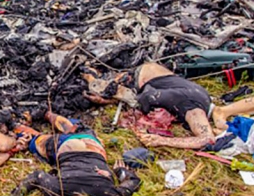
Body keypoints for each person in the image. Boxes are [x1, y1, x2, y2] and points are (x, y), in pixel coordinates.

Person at [10, 112, 141, 196]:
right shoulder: (57, 190)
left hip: (92, 144)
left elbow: (133, 181)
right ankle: (33, 118)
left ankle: (47, 114)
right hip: (66, 145)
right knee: (36, 140)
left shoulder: (109, 195)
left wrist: (120, 171)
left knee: (75, 126)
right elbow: (37, 176)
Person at [83, 62, 215, 149]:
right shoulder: (189, 107)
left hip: (152, 75)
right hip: (143, 76)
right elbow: (207, 138)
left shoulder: (192, 109)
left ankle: (92, 73)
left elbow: (207, 139)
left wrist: (161, 140)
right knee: (99, 87)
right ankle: (90, 74)